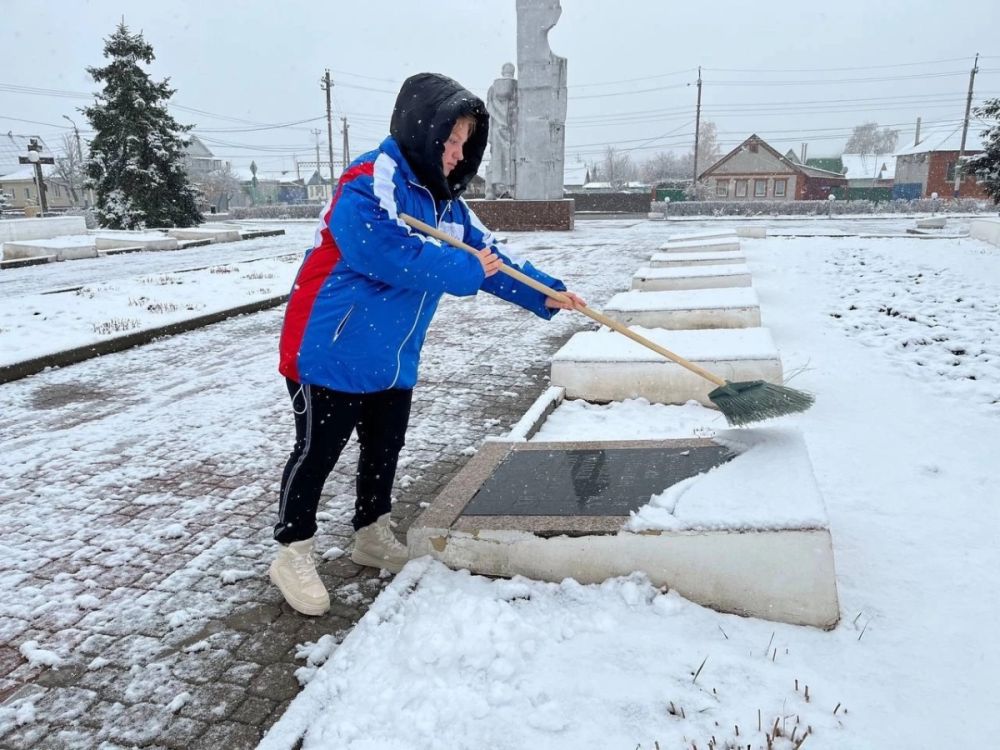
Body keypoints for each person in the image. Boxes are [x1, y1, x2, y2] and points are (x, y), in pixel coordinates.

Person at [270, 72, 585, 616]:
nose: (458, 154)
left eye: (466, 143)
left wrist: (545, 293)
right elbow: (384, 254)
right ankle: (292, 550)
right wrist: (465, 270)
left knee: (384, 447)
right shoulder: (368, 182)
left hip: (391, 354)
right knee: (318, 453)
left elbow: (491, 258)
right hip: (330, 349)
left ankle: (371, 533)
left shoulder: (446, 204)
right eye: (450, 141)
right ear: (423, 130)